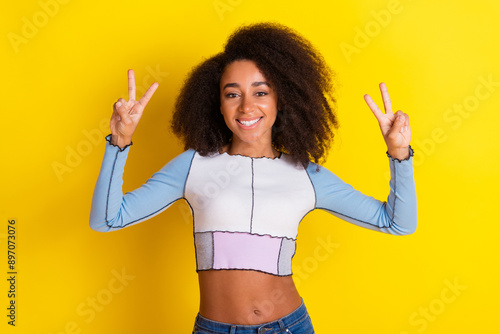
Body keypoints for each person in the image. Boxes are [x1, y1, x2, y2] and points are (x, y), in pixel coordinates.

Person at [90, 22, 416, 334]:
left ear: (280, 100)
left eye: (260, 92)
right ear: (217, 103)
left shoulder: (307, 176)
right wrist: (119, 142)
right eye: (233, 94)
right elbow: (107, 219)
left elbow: (398, 222)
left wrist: (399, 154)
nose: (246, 107)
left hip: (289, 326)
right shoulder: (193, 166)